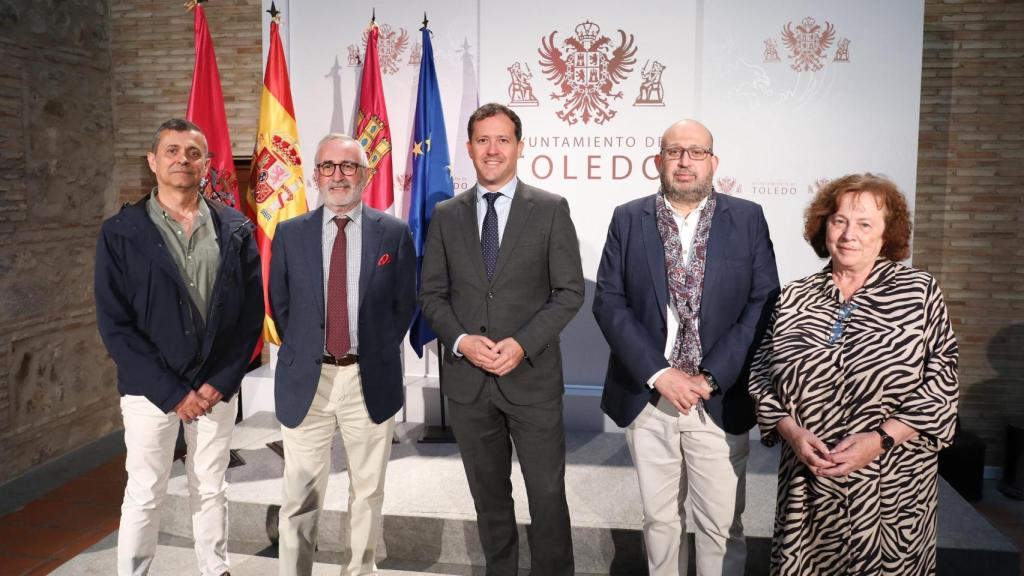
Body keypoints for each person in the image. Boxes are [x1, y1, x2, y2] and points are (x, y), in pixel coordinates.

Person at [593, 119, 779, 576]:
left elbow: (763, 301)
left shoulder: (748, 217)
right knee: (659, 521)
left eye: (696, 152)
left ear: (713, 162)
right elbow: (609, 302)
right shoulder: (627, 217)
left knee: (720, 526)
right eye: (674, 151)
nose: (684, 161)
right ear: (658, 161)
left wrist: (711, 375)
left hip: (718, 396)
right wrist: (660, 373)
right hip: (650, 396)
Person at [747, 173, 959, 575]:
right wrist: (791, 432)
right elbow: (760, 373)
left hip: (892, 485)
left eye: (864, 224)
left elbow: (943, 379)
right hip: (808, 482)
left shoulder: (919, 291)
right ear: (824, 226)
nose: (849, 234)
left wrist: (880, 440)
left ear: (886, 234)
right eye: (839, 220)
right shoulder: (794, 295)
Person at [419, 103, 584, 576]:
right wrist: (462, 340)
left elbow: (569, 292)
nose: (493, 150)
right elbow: (431, 295)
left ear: (519, 146)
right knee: (489, 497)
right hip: (470, 384)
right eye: (483, 140)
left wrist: (521, 344)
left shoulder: (550, 209)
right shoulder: (446, 214)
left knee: (547, 497)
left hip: (530, 378)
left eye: (503, 140)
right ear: (470, 148)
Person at [95, 118, 264, 576]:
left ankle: (216, 569)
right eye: (171, 151)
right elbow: (115, 324)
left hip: (213, 390)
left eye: (192, 153)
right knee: (146, 491)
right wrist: (173, 393)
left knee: (210, 487)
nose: (181, 161)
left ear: (206, 164)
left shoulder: (235, 228)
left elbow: (251, 318)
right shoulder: (120, 233)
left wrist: (218, 383)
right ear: (153, 162)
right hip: (150, 392)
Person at [269, 133, 416, 576]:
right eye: (328, 166)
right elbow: (281, 304)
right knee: (299, 495)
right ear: (315, 174)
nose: (338, 175)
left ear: (366, 175)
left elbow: (403, 304)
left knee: (367, 492)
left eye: (348, 166)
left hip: (366, 378)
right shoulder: (290, 233)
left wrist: (371, 350)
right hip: (307, 381)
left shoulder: (393, 231)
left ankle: (360, 571)